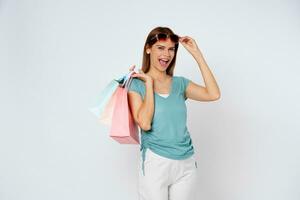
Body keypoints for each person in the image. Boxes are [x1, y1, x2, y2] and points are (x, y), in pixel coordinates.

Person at [127, 26, 221, 200]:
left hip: (186, 164)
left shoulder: (180, 84)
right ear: (148, 49)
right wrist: (149, 84)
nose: (167, 54)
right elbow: (145, 123)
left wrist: (197, 55)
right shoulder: (137, 84)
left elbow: (213, 94)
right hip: (155, 161)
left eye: (171, 49)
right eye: (160, 48)